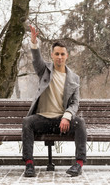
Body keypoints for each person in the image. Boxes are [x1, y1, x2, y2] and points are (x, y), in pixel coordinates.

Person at [22, 25, 87, 177]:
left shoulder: (74, 79)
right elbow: (37, 60)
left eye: (62, 54)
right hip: (43, 119)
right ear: (52, 55)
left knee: (80, 123)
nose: (59, 57)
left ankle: (78, 164)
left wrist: (67, 116)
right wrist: (34, 43)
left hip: (61, 121)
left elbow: (74, 103)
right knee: (27, 122)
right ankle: (29, 165)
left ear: (67, 56)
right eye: (56, 54)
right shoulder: (44, 71)